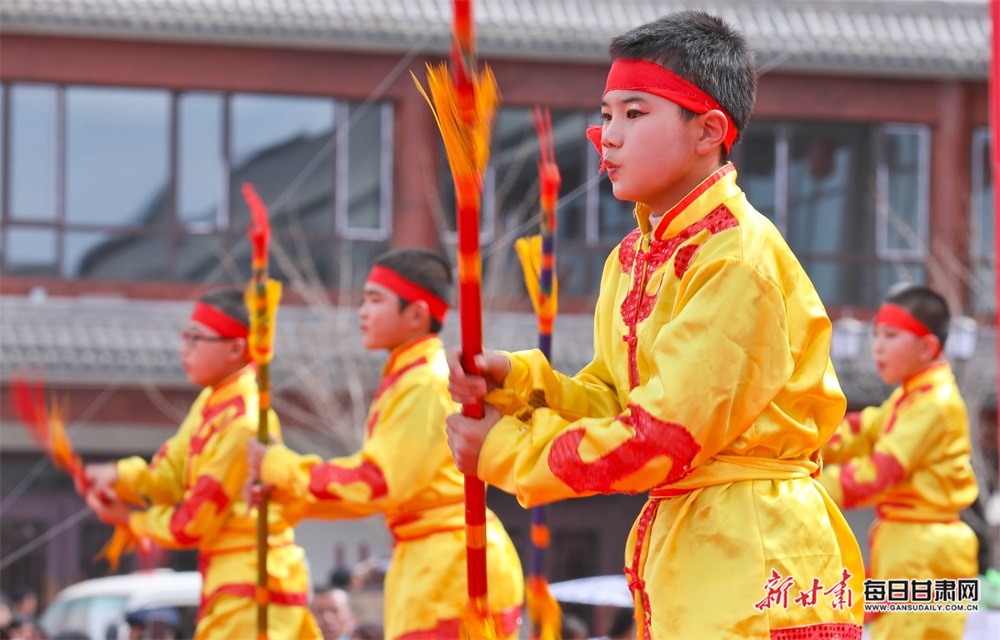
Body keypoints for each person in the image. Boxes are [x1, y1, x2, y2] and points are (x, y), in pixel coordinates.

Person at [445, 10, 865, 639]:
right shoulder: (633, 258)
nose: (606, 137)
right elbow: (617, 400)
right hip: (690, 551)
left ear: (708, 130)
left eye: (635, 114)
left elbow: (661, 437)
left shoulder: (736, 261)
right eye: (607, 114)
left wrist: (506, 452)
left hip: (756, 558)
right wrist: (521, 383)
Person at [248, 248, 524, 640]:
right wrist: (288, 496)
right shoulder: (407, 377)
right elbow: (377, 490)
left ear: (415, 314)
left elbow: (376, 482)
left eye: (375, 300)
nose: (362, 311)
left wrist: (278, 466)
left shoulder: (424, 382)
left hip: (452, 569)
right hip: (434, 564)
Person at [80, 288, 320, 639]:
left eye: (195, 338)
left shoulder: (244, 422)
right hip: (233, 579)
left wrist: (132, 519)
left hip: (253, 582)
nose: (183, 348)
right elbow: (168, 477)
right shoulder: (211, 402)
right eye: (184, 336)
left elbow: (193, 523)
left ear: (237, 348)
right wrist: (118, 475)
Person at [820, 284, 979, 639]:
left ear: (928, 347)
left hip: (924, 551)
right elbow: (860, 431)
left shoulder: (934, 402)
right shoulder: (910, 397)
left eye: (890, 335)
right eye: (875, 334)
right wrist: (803, 439)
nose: (876, 346)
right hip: (916, 546)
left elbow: (881, 472)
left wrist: (807, 488)